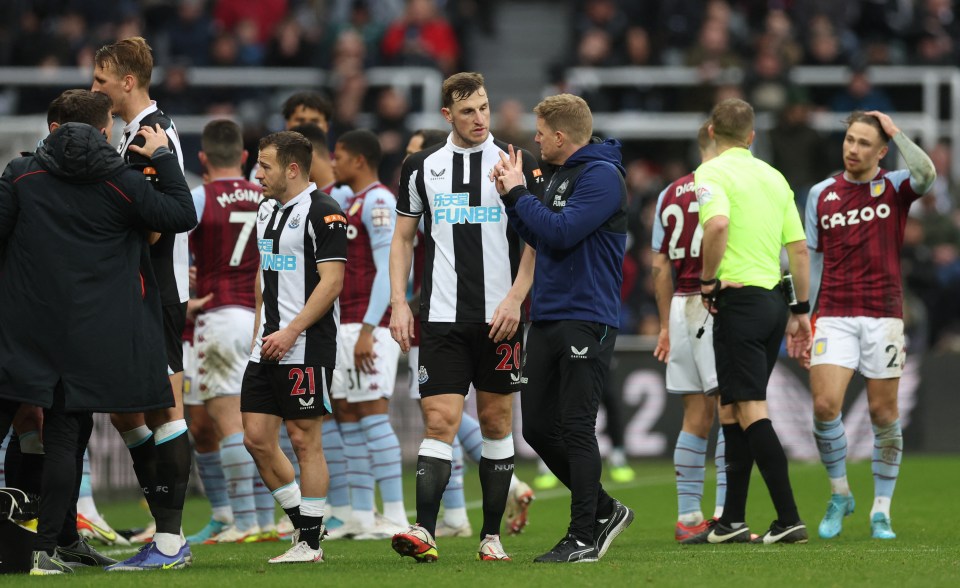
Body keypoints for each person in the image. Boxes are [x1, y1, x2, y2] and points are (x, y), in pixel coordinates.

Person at [0, 88, 197, 574]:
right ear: (105, 130)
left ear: (52, 130)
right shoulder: (121, 180)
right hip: (89, 333)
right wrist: (165, 160)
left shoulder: (22, 175)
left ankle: (50, 541)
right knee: (67, 436)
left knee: (27, 427)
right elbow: (181, 215)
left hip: (24, 329)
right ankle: (48, 548)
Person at [389, 72, 541, 563]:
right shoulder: (421, 167)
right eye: (469, 110)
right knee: (440, 421)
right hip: (441, 317)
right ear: (447, 115)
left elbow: (537, 241)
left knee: (496, 423)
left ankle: (490, 537)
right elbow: (403, 238)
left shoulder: (518, 163)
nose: (479, 118)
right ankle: (425, 531)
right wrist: (398, 302)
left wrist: (516, 299)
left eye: (484, 107)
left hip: (503, 318)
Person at [495, 93, 633, 563]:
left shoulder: (602, 176)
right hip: (550, 314)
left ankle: (583, 536)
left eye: (539, 132)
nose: (535, 140)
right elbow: (540, 236)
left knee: (576, 426)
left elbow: (561, 233)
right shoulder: (561, 176)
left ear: (559, 136)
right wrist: (511, 200)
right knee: (536, 427)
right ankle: (605, 509)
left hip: (587, 315)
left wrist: (518, 194)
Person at [681, 98, 811, 545]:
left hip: (738, 303)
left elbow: (716, 227)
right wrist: (801, 310)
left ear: (712, 133)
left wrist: (707, 282)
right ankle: (731, 521)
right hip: (775, 303)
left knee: (751, 406)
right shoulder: (774, 177)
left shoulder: (711, 172)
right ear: (752, 136)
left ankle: (788, 518)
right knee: (732, 406)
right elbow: (798, 249)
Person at [90, 36, 197, 566]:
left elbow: (156, 227)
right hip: (141, 292)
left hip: (159, 290)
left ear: (127, 82)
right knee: (126, 412)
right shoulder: (135, 133)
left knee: (163, 408)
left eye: (101, 81)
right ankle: (164, 533)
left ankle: (172, 542)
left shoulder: (152, 136)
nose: (95, 89)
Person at [805, 111, 935, 541]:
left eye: (863, 143)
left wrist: (896, 132)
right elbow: (814, 261)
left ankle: (882, 509)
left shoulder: (896, 186)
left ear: (881, 151)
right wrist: (804, 315)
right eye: (850, 140)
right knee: (825, 406)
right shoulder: (821, 195)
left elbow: (927, 173)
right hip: (835, 315)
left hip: (883, 314)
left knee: (883, 413)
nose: (852, 148)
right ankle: (840, 493)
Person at [241, 130, 348, 564]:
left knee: (305, 441)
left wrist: (290, 332)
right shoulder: (266, 209)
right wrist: (258, 331)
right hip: (266, 343)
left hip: (305, 344)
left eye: (265, 165)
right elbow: (263, 276)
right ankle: (307, 525)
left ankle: (310, 544)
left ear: (291, 168)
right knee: (256, 438)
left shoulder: (325, 212)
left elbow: (333, 282)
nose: (258, 173)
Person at [182, 119, 266, 544]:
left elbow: (173, 248)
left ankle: (247, 521)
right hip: (252, 316)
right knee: (201, 421)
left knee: (228, 421)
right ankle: (224, 515)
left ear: (202, 159)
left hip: (217, 316)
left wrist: (186, 283)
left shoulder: (198, 198)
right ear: (245, 157)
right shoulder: (264, 195)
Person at [325, 129, 407, 540]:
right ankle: (360, 514)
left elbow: (387, 270)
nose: (333, 162)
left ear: (358, 160)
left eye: (337, 155)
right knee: (348, 416)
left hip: (367, 324)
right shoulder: (349, 201)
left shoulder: (378, 201)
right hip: (345, 323)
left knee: (373, 414)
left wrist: (370, 329)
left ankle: (394, 513)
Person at [651, 122, 728, 541]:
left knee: (695, 415)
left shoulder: (669, 193)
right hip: (712, 302)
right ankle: (724, 514)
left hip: (679, 306)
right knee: (731, 410)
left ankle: (687, 517)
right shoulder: (724, 185)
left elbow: (658, 267)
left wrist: (664, 324)